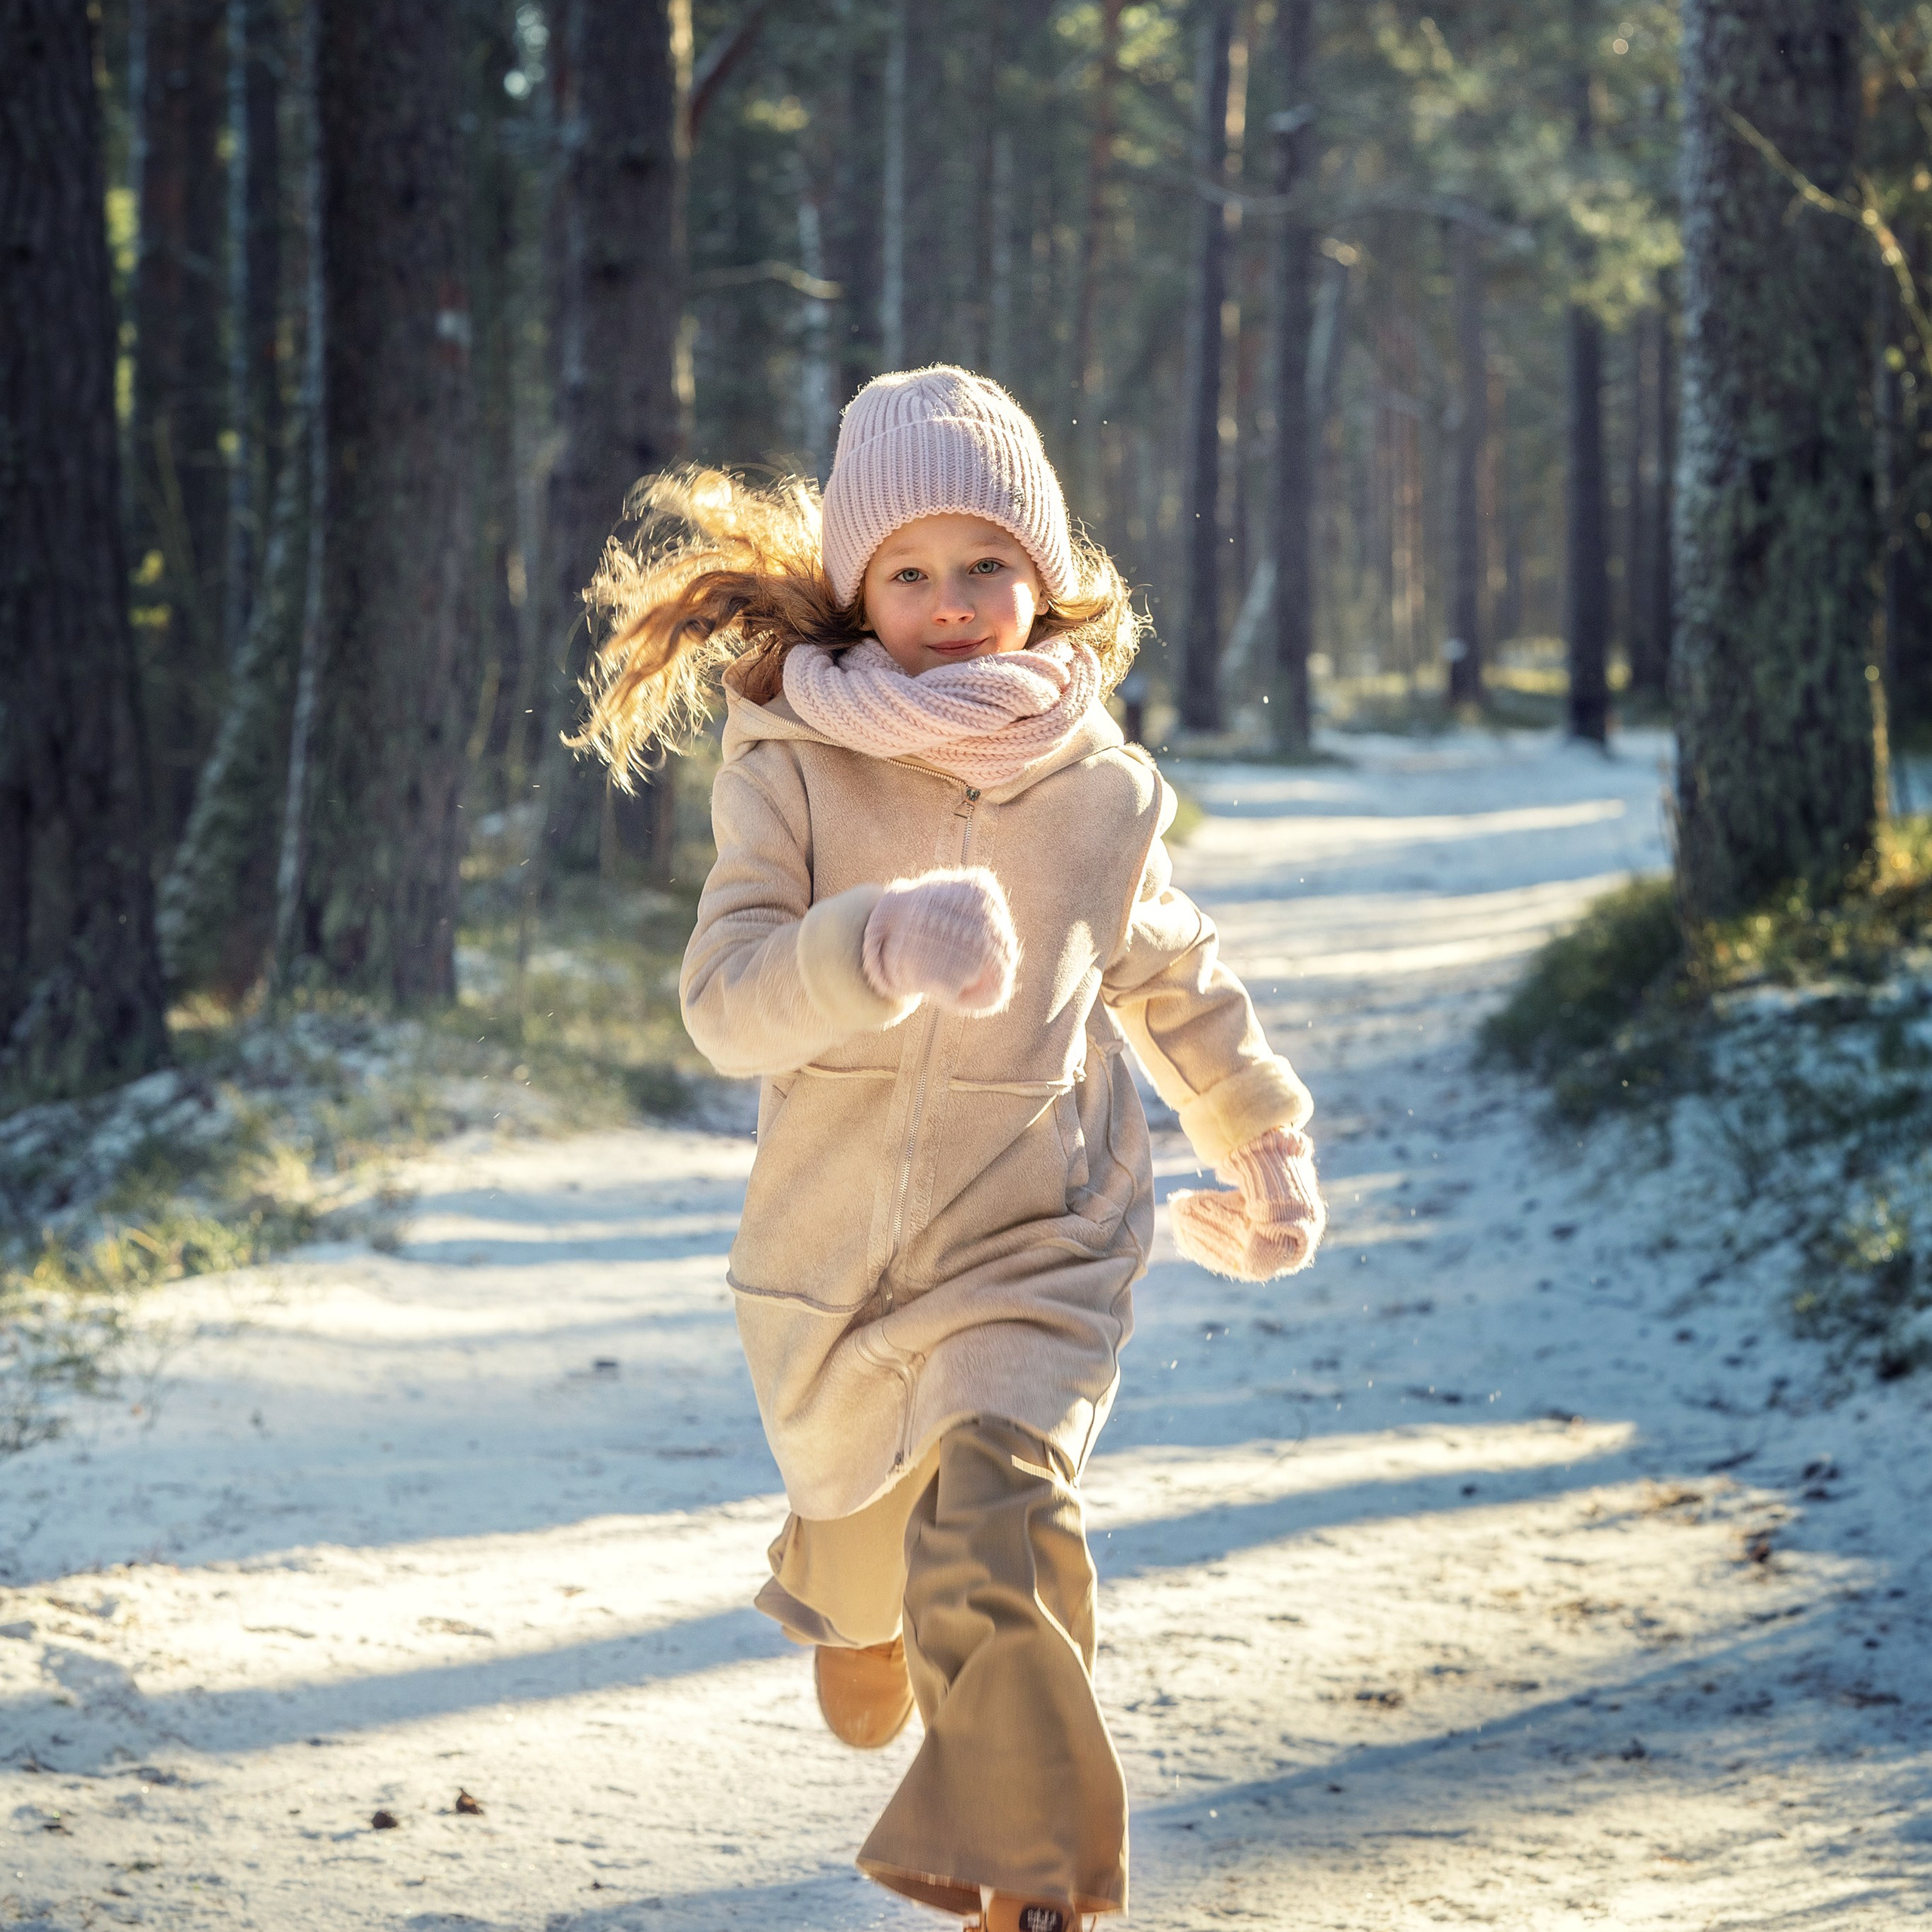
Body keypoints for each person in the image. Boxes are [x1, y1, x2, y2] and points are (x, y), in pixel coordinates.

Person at [574, 366, 1325, 1932]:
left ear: (1042, 574)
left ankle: (1033, 1882)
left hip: (1034, 1243)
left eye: (987, 563)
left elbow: (1170, 973)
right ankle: (848, 1601)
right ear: (856, 589)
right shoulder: (790, 761)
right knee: (871, 1588)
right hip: (833, 1268)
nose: (954, 603)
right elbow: (722, 1002)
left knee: (1002, 1534)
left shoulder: (1100, 789)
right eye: (908, 572)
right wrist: (875, 943)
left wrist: (1260, 1134)